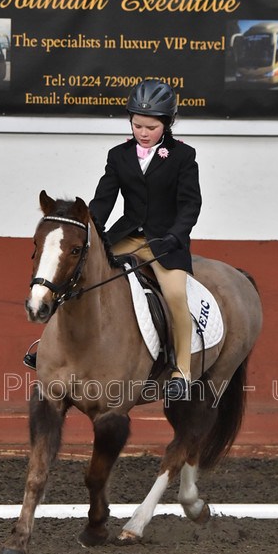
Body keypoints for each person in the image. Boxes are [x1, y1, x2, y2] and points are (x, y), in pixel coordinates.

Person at [89, 78, 202, 401]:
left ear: (167, 124)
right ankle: (51, 350)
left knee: (177, 296)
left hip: (165, 242)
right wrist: (90, 233)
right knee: (80, 273)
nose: (142, 132)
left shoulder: (183, 156)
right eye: (137, 125)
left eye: (150, 127)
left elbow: (190, 204)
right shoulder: (118, 156)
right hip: (126, 237)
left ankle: (182, 371)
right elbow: (103, 201)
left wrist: (176, 236)